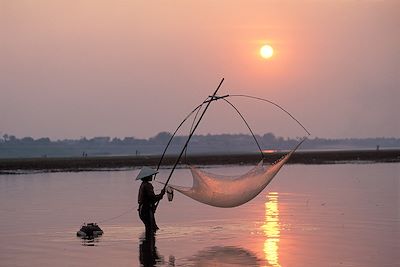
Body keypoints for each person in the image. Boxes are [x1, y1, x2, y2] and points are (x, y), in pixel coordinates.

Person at [136, 167, 165, 233]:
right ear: (147, 176)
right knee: (152, 228)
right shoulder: (147, 185)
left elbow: (150, 199)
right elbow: (153, 198)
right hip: (146, 210)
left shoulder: (143, 184)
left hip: (142, 210)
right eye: (150, 175)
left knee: (150, 228)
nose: (152, 176)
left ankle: (146, 242)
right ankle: (148, 242)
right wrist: (161, 194)